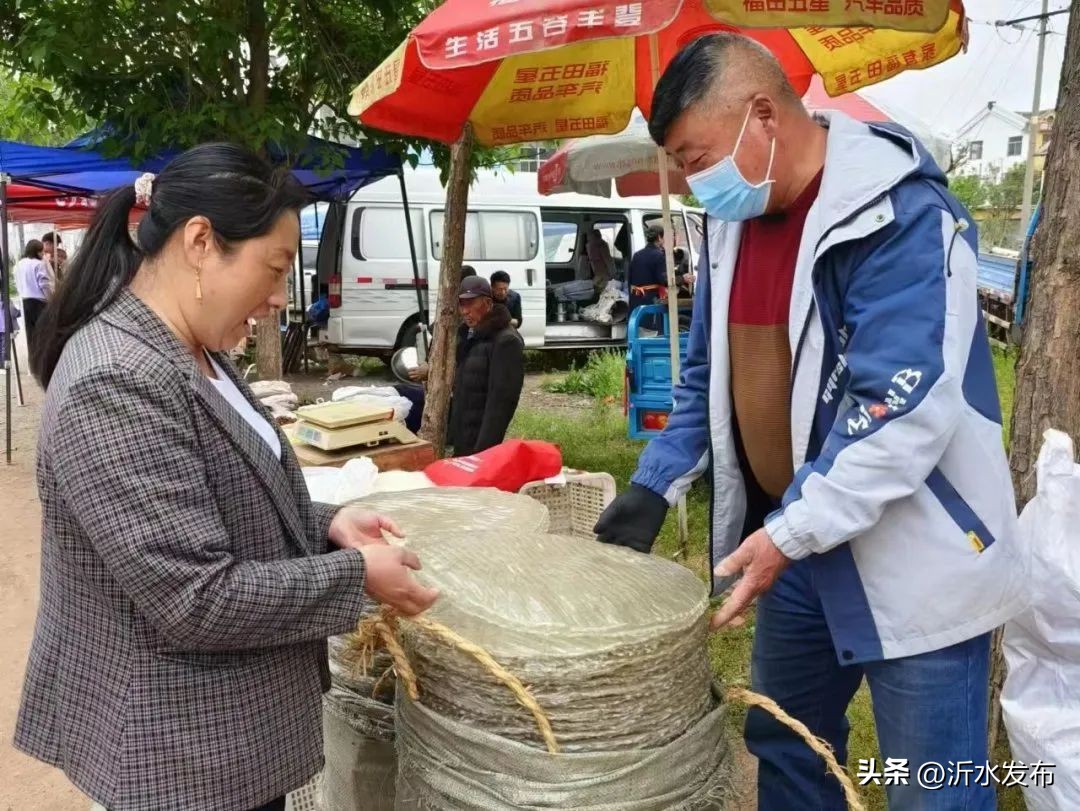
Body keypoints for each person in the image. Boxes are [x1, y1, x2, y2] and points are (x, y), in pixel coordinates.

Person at [593, 34, 1026, 811]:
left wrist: (788, 532)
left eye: (697, 158)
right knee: (788, 747)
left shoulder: (896, 217)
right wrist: (656, 484)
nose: (695, 185)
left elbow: (897, 410)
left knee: (932, 786)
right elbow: (708, 380)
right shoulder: (733, 226)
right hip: (795, 557)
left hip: (911, 555)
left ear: (763, 114)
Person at [16, 143, 439, 811]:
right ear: (200, 242)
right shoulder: (117, 378)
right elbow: (194, 596)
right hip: (177, 752)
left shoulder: (196, 348)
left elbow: (230, 492)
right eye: (272, 268)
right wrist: (357, 576)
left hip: (223, 736)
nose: (278, 297)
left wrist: (326, 523)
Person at [447, 276, 524, 457]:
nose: (464, 311)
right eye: (461, 305)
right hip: (462, 436)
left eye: (470, 304)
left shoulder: (506, 341)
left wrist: (483, 451)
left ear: (488, 304)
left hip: (481, 443)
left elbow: (501, 403)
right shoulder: (468, 335)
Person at [627, 225, 668, 330]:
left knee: (638, 329)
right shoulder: (658, 255)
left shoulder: (637, 255)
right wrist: (681, 279)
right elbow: (663, 279)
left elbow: (630, 278)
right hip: (650, 299)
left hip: (635, 298)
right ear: (659, 237)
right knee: (651, 330)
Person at [14, 240, 51, 351]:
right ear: (37, 252)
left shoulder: (19, 265)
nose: (43, 254)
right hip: (39, 302)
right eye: (42, 252)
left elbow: (17, 282)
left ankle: (33, 360)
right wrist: (50, 300)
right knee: (44, 334)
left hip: (25, 301)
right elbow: (44, 284)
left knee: (30, 335)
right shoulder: (39, 264)